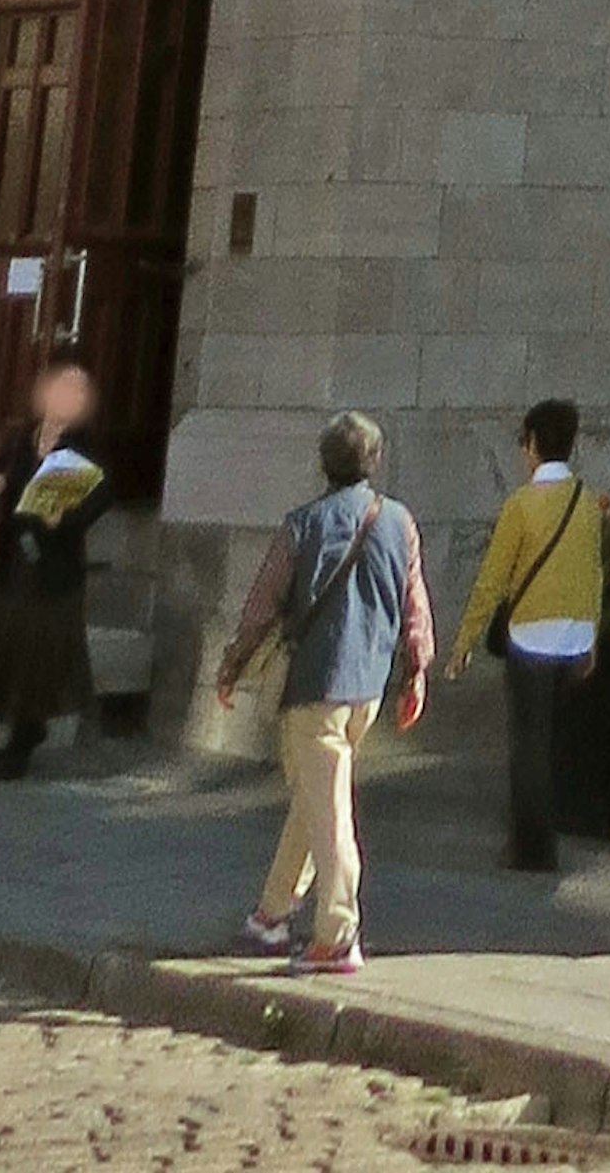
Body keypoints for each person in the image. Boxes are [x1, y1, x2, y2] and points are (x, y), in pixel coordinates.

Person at [212, 407, 434, 976]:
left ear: (322, 465)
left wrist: (233, 665)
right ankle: (272, 912)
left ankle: (337, 934)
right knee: (317, 795)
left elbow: (262, 606)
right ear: (375, 463)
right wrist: (416, 672)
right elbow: (416, 605)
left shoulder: (301, 525)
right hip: (368, 689)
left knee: (330, 813)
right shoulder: (400, 521)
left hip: (316, 683)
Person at [456, 398, 604, 875]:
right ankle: (550, 833)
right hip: (576, 636)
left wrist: (464, 642)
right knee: (558, 742)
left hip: (531, 636)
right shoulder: (586, 500)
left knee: (529, 745)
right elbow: (593, 574)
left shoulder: (520, 505)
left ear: (535, 445)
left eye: (524, 442)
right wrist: (593, 636)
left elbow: (492, 580)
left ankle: (532, 848)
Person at [0, 355, 109, 780]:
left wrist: (67, 518)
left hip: (54, 567)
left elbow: (101, 496)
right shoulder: (21, 440)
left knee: (40, 656)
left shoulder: (82, 449)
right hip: (14, 562)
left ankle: (22, 738)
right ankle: (19, 724)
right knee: (5, 646)